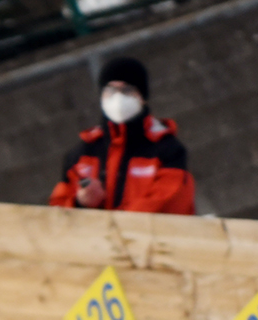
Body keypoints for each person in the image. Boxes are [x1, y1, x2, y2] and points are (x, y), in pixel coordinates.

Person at [48, 56, 195, 216]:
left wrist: (115, 227)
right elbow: (58, 211)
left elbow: (169, 203)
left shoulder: (167, 150)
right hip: (95, 239)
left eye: (127, 91)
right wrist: (80, 203)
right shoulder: (83, 153)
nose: (117, 98)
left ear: (142, 97)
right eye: (110, 91)